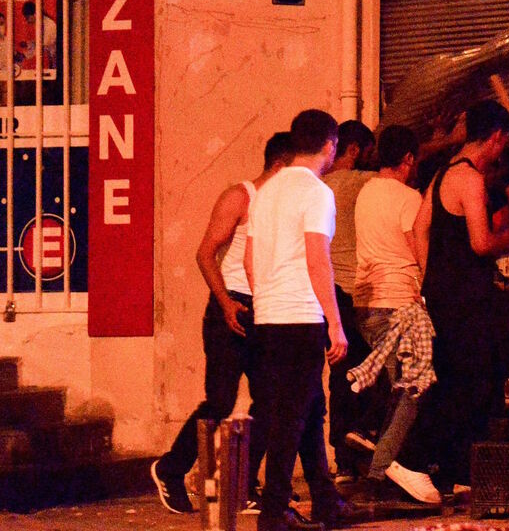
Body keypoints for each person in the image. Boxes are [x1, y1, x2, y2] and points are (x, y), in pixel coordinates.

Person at [390, 100, 509, 501]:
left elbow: (418, 230)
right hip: (466, 299)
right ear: (494, 137)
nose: (502, 150)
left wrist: (430, 277)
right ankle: (410, 461)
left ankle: (459, 472)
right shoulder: (471, 179)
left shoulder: (442, 175)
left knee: (469, 381)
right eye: (503, 141)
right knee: (464, 383)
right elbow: (481, 242)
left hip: (444, 294)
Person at [150, 132, 292, 514]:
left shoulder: (284, 205)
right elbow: (204, 253)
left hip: (266, 308)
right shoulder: (240, 196)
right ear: (280, 165)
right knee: (220, 399)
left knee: (271, 400)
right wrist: (226, 302)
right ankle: (170, 468)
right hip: (230, 306)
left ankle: (244, 485)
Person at [245, 109, 355, 531]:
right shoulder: (316, 192)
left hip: (269, 316)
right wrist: (335, 321)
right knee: (291, 416)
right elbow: (317, 259)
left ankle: (325, 501)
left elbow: (249, 261)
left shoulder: (266, 192)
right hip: (300, 316)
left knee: (308, 409)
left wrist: (266, 300)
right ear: (330, 145)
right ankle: (274, 512)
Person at [350, 124, 436, 499]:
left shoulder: (365, 192)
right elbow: (418, 250)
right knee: (413, 390)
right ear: (407, 160)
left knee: (397, 388)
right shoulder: (409, 198)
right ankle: (378, 468)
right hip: (399, 301)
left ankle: (374, 454)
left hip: (365, 303)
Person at [322, 120, 378, 482]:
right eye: (369, 153)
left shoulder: (320, 186)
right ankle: (364, 453)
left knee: (339, 377)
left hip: (327, 293)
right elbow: (394, 177)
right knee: (367, 374)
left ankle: (343, 460)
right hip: (355, 292)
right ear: (355, 149)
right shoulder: (360, 182)